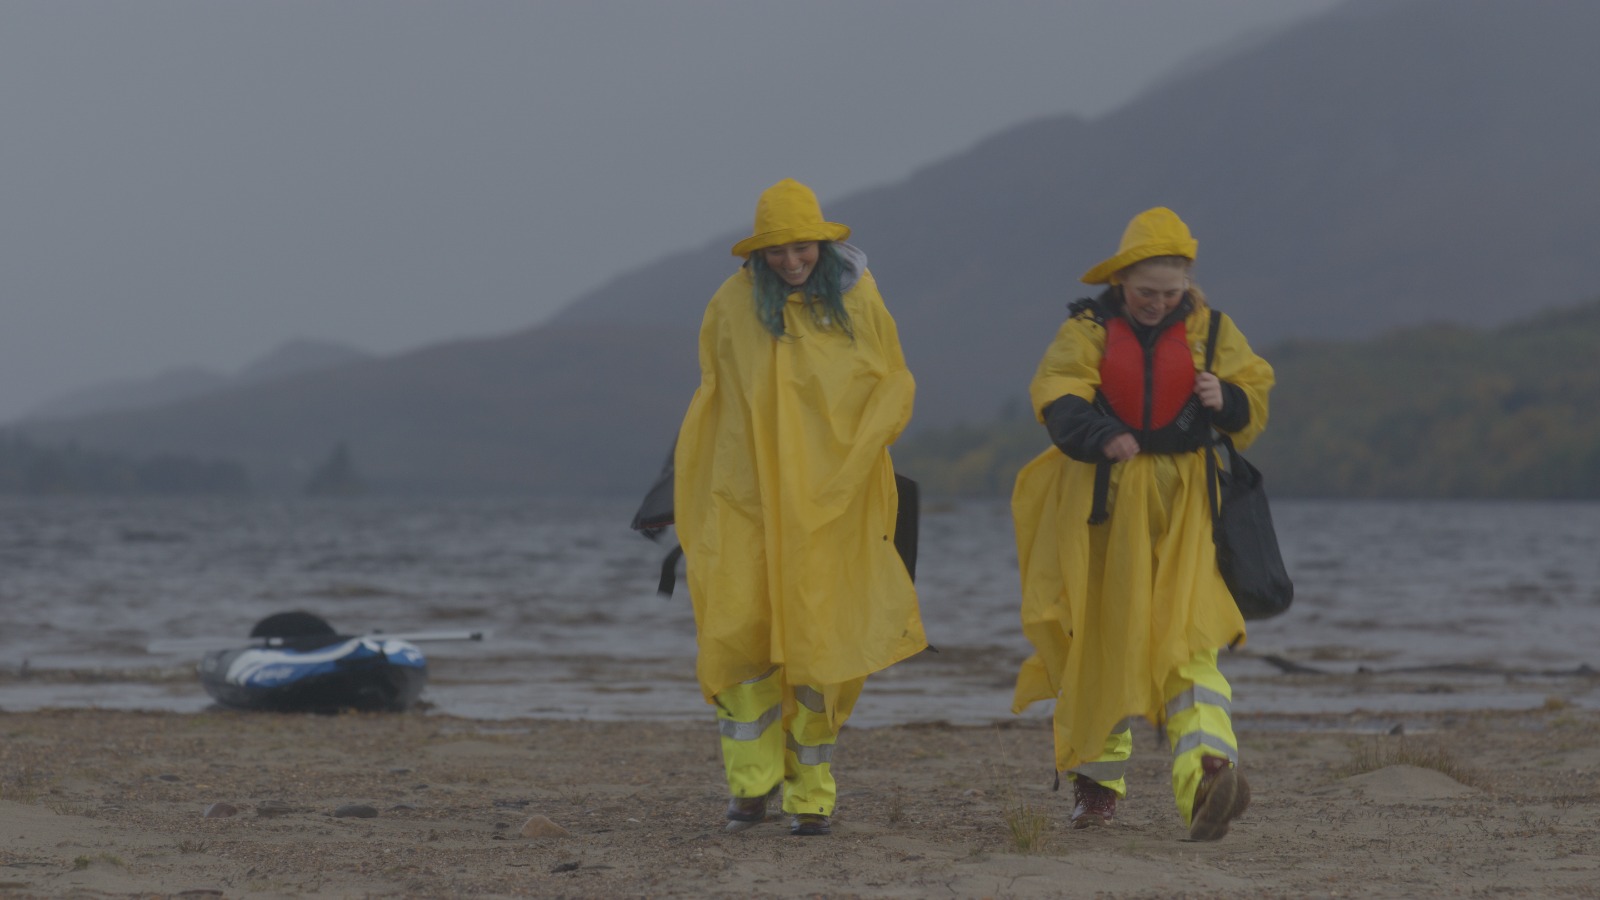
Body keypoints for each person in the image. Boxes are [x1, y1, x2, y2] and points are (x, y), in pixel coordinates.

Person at [1009, 207, 1275, 841]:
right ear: (1122, 281)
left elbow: (1253, 397)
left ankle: (1208, 775)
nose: (1157, 303)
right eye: (1145, 292)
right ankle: (1096, 787)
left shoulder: (1213, 331)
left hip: (1188, 510)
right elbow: (1057, 394)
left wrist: (1228, 399)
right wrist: (1100, 432)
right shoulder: (1087, 329)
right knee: (1099, 641)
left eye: (1170, 292)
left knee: (1191, 637)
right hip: (1102, 511)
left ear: (1187, 284)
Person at [673, 178, 926, 837]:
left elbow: (891, 382)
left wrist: (853, 466)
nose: (791, 262)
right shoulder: (731, 304)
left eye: (802, 248)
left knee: (821, 642)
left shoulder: (857, 298)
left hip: (830, 505)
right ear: (759, 253)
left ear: (822, 243)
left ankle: (810, 795)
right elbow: (713, 402)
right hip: (746, 500)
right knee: (740, 633)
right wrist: (680, 482)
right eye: (778, 251)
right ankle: (751, 786)